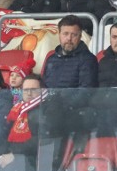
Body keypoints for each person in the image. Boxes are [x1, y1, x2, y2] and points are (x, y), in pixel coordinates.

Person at [41, 15, 99, 152]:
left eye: (74, 34)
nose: (69, 38)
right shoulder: (51, 59)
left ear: (80, 37)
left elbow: (86, 91)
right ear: (59, 34)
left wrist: (62, 105)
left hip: (74, 112)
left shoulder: (88, 60)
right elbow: (44, 87)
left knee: (50, 122)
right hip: (50, 109)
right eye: (66, 34)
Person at [0, 73, 47, 171]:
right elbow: (4, 132)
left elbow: (42, 139)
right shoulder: (17, 108)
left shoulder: (48, 108)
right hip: (17, 156)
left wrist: (14, 153)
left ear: (42, 91)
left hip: (35, 160)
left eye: (33, 90)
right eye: (25, 90)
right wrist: (4, 152)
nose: (29, 93)